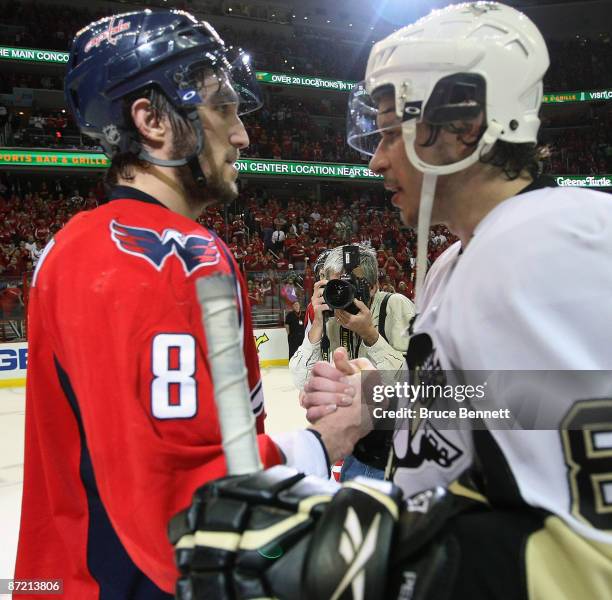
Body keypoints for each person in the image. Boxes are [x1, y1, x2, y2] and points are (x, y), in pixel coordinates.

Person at [174, 4, 612, 599]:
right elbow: (518, 403)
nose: (376, 158)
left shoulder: (553, 243)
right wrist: (382, 398)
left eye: (387, 133)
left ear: (462, 125)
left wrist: (406, 568)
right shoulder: (466, 257)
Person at [14, 10, 368, 599]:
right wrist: (324, 442)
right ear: (152, 119)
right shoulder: (172, 255)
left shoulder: (72, 245)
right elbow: (186, 499)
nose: (242, 134)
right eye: (222, 108)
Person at [290, 243, 415, 480]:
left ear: (374, 287)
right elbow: (301, 381)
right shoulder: (329, 320)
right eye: (334, 286)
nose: (342, 293)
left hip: (397, 451)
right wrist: (316, 327)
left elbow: (413, 382)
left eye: (351, 285)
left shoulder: (394, 306)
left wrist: (370, 334)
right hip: (356, 449)